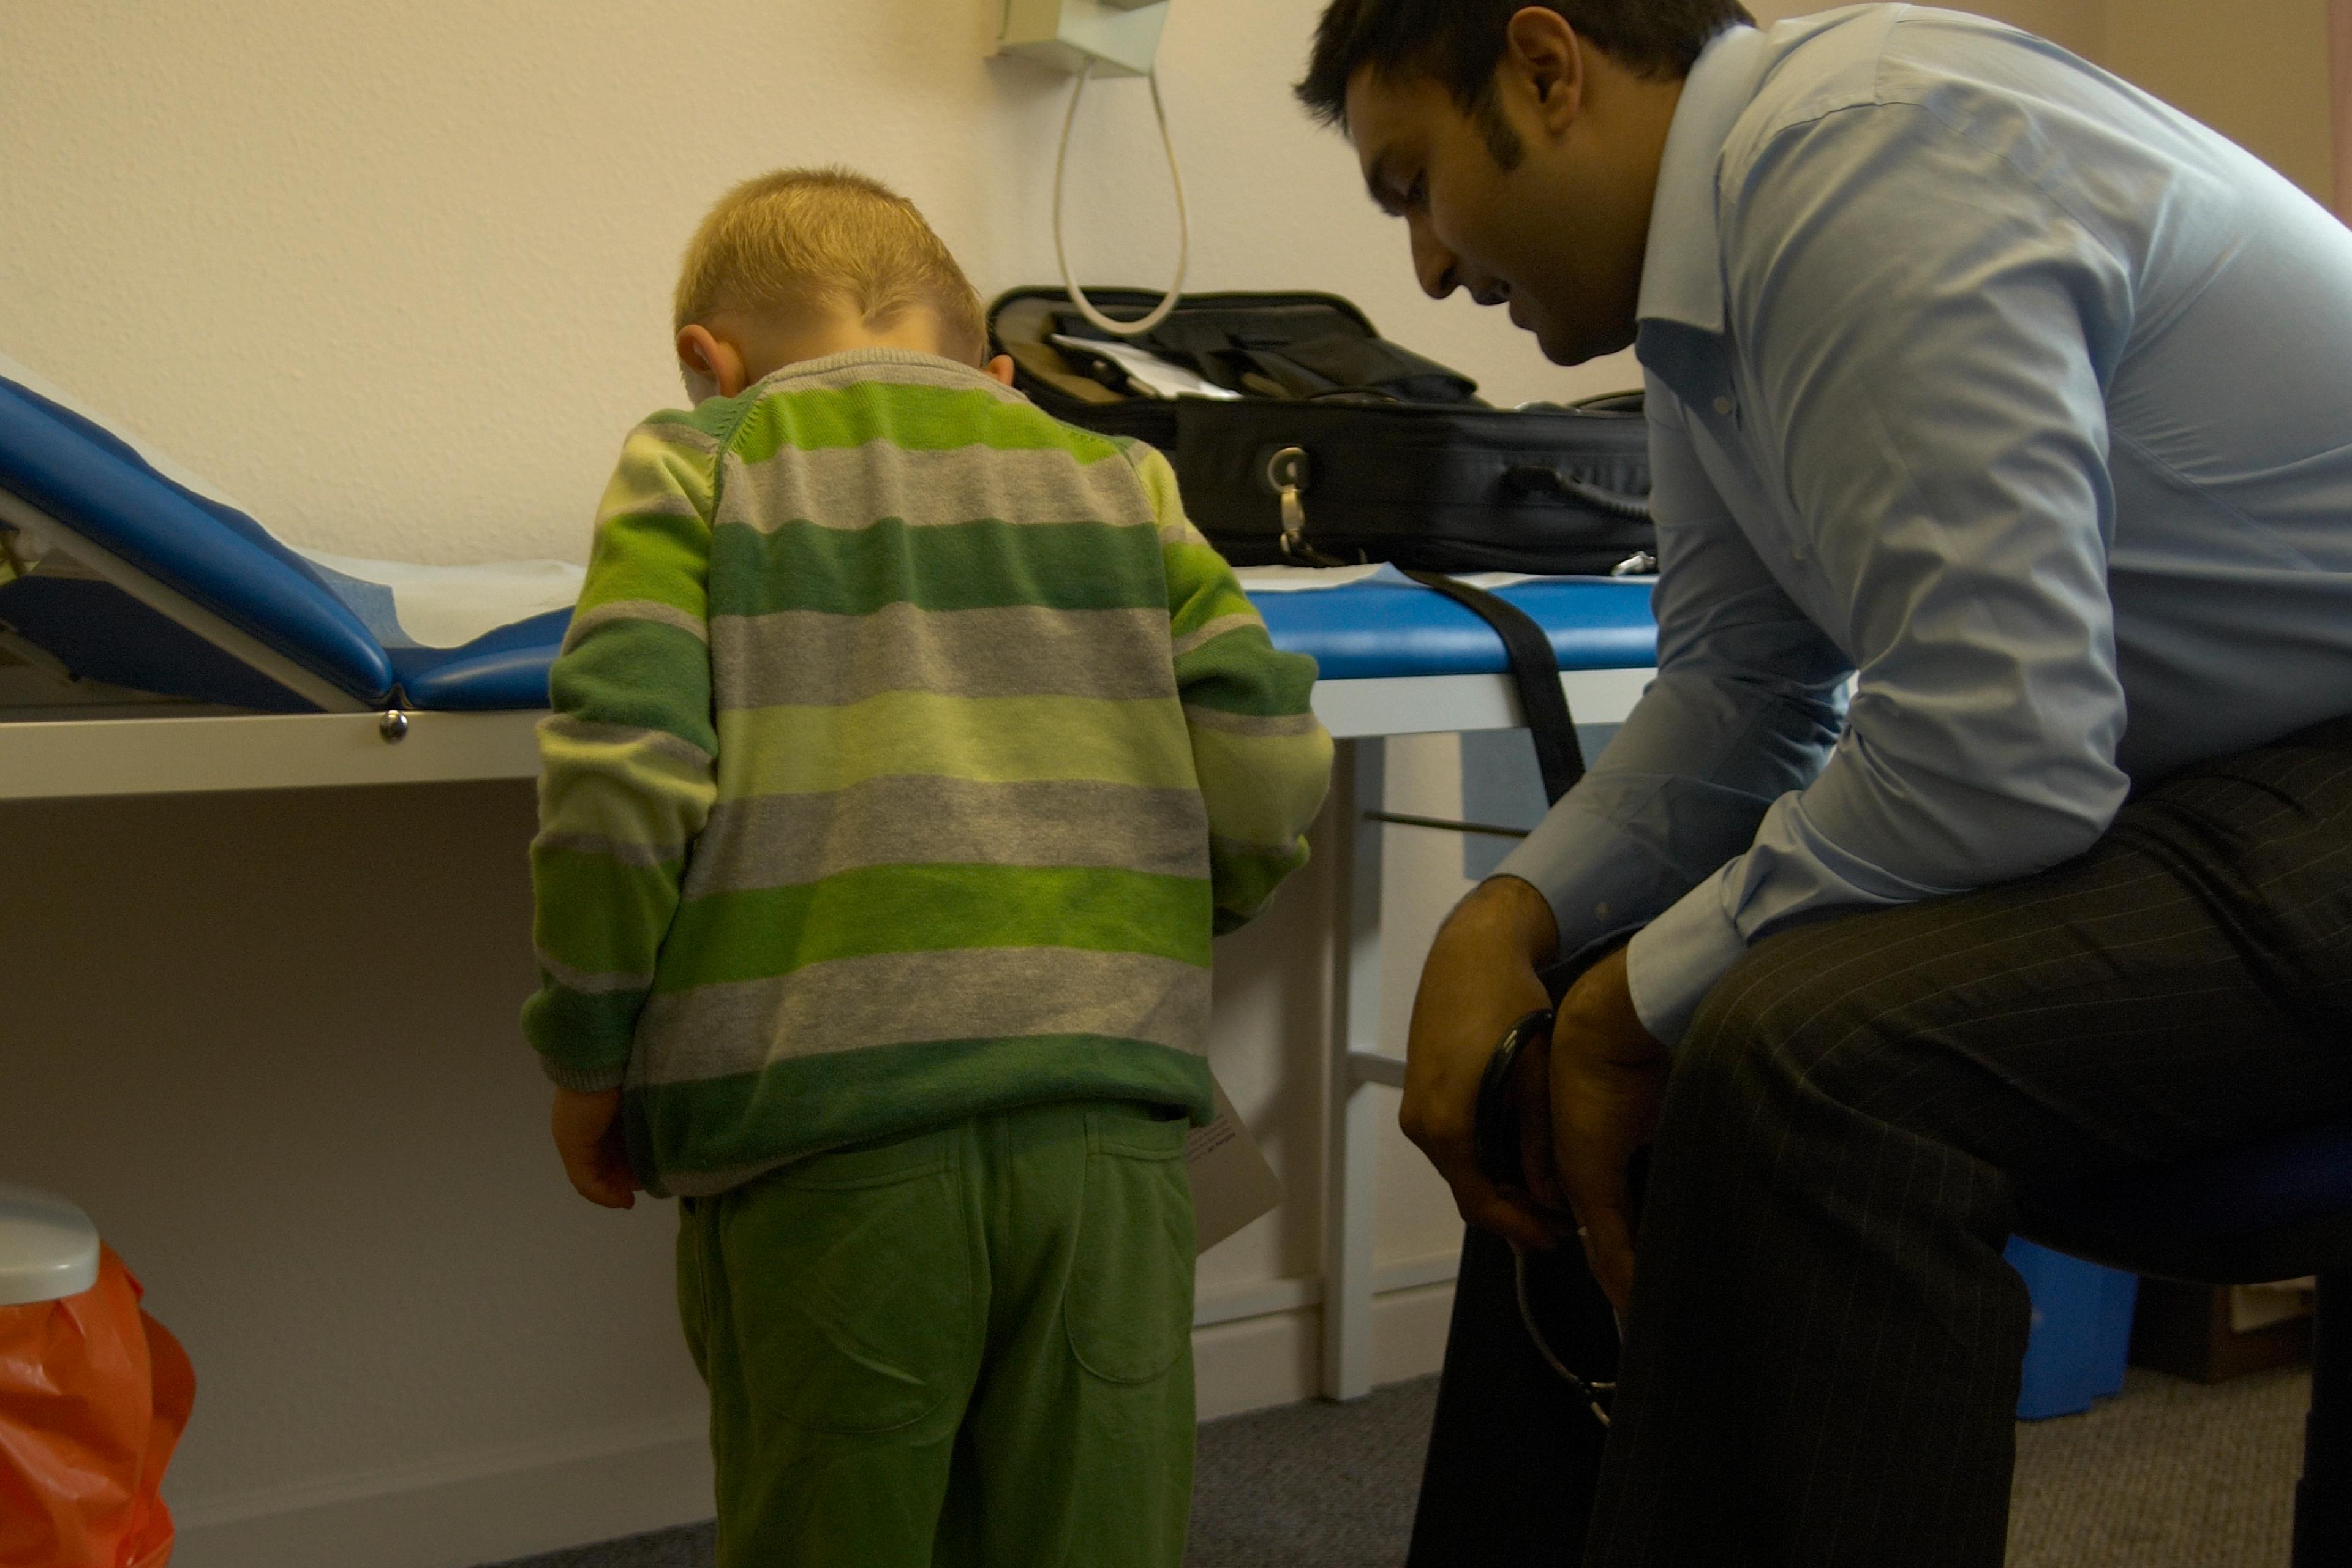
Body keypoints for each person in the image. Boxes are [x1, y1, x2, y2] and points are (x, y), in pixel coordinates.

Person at [1297, 2, 2352, 1563]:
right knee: (1568, 1044)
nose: (1430, 270)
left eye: (1413, 187)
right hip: (2210, 774)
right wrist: (1511, 918)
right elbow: (1752, 688)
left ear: (1545, 65)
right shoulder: (1706, 270)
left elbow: (2000, 749)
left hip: (2306, 766)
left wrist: (1633, 999)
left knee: (1799, 1048)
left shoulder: (1860, 156)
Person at [519, 167, 1333, 1568]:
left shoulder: (699, 457)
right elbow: (1264, 748)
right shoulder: (1120, 477)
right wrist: (1163, 910)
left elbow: (619, 770)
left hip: (823, 1136)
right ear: (995, 369)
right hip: (1110, 1138)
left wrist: (592, 1047)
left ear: (704, 361)